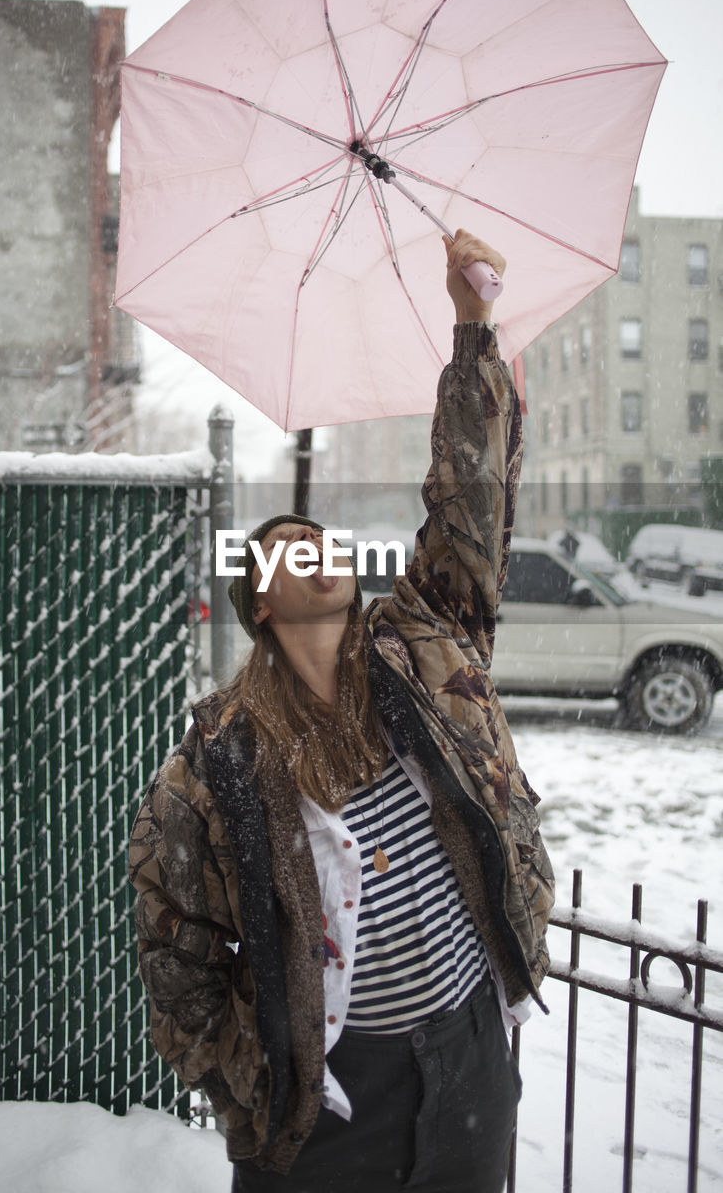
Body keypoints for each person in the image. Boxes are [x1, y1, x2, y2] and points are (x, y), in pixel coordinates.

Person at [129, 230, 554, 1192]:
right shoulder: (218, 760)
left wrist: (473, 323)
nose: (315, 546)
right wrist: (252, 1080)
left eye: (321, 537)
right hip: (331, 1098)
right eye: (287, 546)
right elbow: (174, 947)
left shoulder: (429, 646)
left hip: (469, 1055)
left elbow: (471, 501)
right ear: (262, 606)